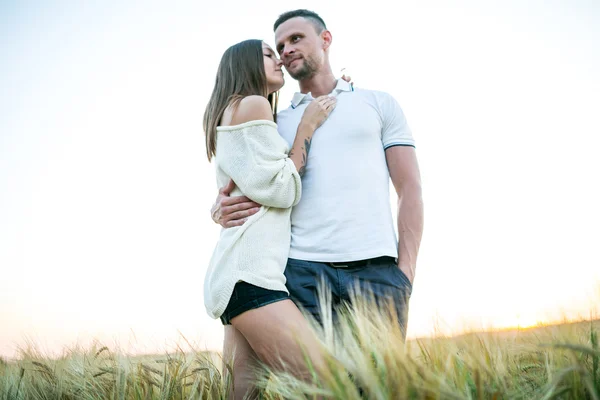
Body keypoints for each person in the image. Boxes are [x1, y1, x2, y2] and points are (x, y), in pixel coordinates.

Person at [211, 10, 424, 339]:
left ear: (325, 39)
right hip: (299, 273)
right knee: (314, 387)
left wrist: (406, 271)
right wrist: (218, 210)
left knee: (380, 388)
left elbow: (410, 188)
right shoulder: (274, 120)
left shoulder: (378, 104)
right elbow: (249, 179)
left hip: (377, 270)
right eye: (280, 45)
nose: (286, 50)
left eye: (296, 38)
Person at [203, 38, 339, 399]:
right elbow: (280, 189)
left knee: (241, 397)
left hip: (237, 278)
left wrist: (217, 208)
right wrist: (307, 127)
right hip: (252, 277)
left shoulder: (236, 110)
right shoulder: (253, 105)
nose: (278, 59)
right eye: (267, 53)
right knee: (327, 386)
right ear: (244, 64)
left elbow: (247, 186)